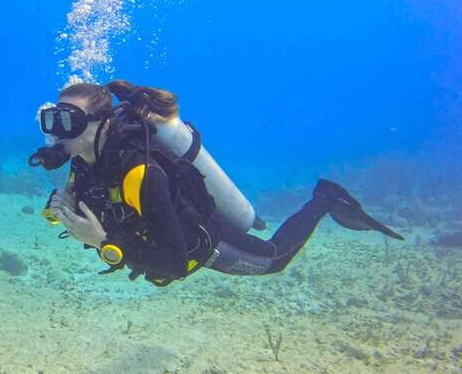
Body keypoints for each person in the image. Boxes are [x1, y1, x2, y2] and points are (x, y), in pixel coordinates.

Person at [29, 80, 403, 286]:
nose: (57, 133)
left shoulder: (140, 173)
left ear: (103, 124)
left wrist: (103, 242)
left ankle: (324, 199)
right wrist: (62, 209)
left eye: (69, 121)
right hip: (150, 235)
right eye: (52, 120)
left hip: (198, 241)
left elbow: (176, 263)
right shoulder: (84, 161)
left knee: (274, 259)